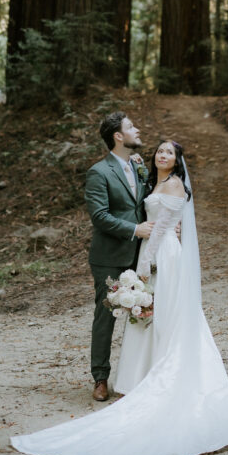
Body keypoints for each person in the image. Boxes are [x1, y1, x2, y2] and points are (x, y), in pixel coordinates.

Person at [10, 134, 228, 455]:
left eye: (169, 152)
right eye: (159, 150)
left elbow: (163, 227)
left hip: (162, 255)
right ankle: (136, 378)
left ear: (177, 161)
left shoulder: (175, 184)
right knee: (146, 317)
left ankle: (158, 374)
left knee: (163, 317)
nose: (163, 154)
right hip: (148, 250)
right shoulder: (152, 179)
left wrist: (144, 266)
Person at [83, 111, 154, 402]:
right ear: (118, 136)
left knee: (145, 313)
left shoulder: (138, 166)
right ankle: (100, 377)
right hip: (110, 256)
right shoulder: (99, 172)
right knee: (106, 315)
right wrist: (135, 229)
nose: (137, 130)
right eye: (131, 127)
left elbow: (148, 201)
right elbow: (99, 216)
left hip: (140, 256)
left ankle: (138, 374)